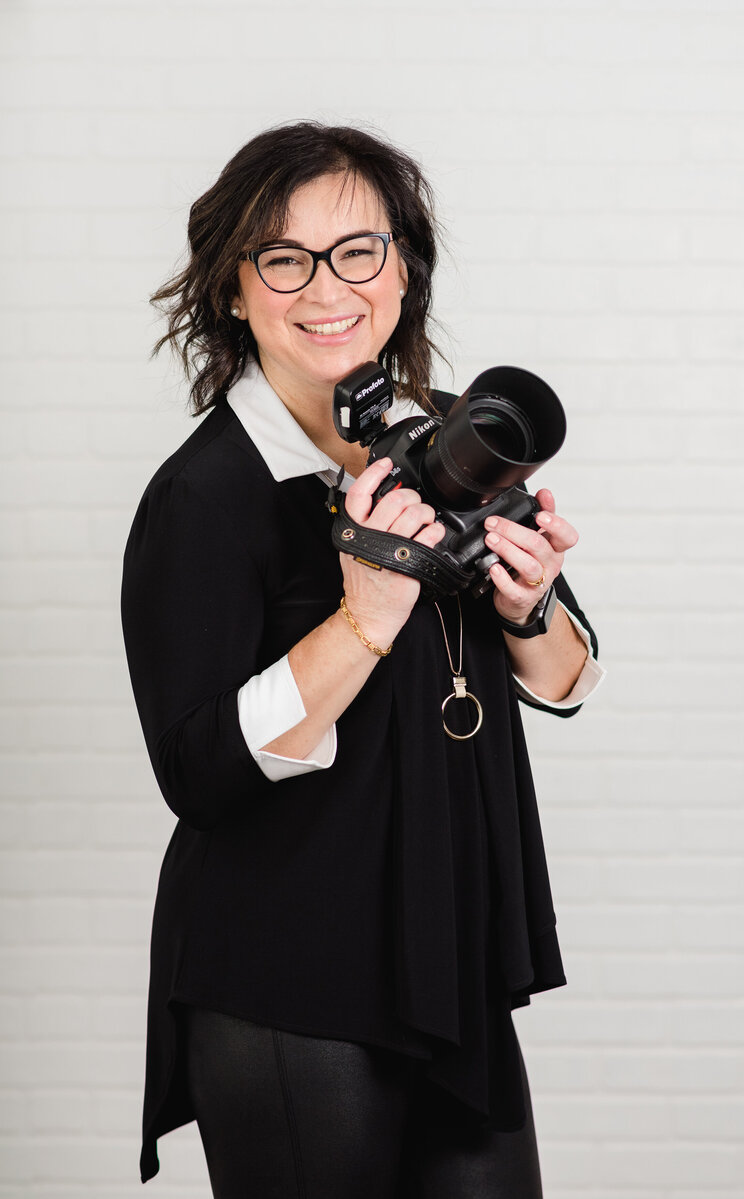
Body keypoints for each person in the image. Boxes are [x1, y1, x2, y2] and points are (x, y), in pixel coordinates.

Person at [121, 121, 604, 1198]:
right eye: (282, 257)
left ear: (401, 269)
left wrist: (526, 605)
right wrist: (362, 618)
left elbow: (567, 675)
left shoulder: (442, 441)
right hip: (288, 968)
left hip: (445, 943)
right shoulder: (204, 496)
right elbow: (196, 771)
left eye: (358, 250)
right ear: (233, 292)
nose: (325, 285)